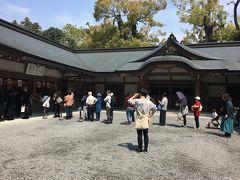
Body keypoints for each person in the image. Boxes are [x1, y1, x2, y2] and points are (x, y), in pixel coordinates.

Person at [128, 88, 157, 153]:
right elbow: (155, 108)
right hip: (145, 118)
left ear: (140, 93)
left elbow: (129, 101)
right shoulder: (149, 101)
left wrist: (134, 96)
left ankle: (140, 148)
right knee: (146, 134)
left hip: (139, 118)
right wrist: (150, 115)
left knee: (139, 134)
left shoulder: (137, 101)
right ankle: (146, 149)